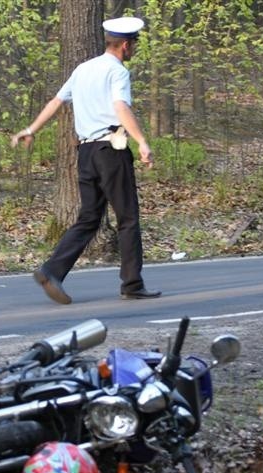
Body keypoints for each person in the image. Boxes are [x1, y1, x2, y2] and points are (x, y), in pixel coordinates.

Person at [11, 16, 161, 305]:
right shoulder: (117, 72)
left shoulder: (84, 69)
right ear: (126, 46)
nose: (135, 50)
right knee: (128, 218)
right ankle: (132, 283)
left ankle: (52, 270)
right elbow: (120, 106)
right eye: (135, 46)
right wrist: (142, 141)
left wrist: (31, 129)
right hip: (111, 151)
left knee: (90, 218)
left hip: (86, 154)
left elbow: (56, 101)